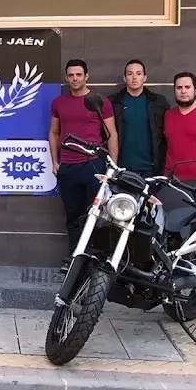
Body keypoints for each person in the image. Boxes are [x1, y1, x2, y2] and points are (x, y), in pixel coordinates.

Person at [49, 59, 119, 262]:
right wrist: (55, 161)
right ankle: (74, 258)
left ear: (86, 76)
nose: (74, 78)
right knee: (73, 217)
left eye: (78, 75)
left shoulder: (99, 101)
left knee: (94, 217)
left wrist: (113, 168)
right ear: (66, 77)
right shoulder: (59, 103)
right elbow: (54, 133)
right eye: (70, 75)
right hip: (68, 167)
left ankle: (92, 260)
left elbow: (112, 134)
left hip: (93, 166)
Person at [109, 59, 169, 178]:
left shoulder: (158, 102)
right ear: (124, 78)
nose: (134, 77)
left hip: (151, 170)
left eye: (138, 73)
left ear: (145, 78)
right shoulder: (113, 103)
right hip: (122, 169)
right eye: (130, 74)